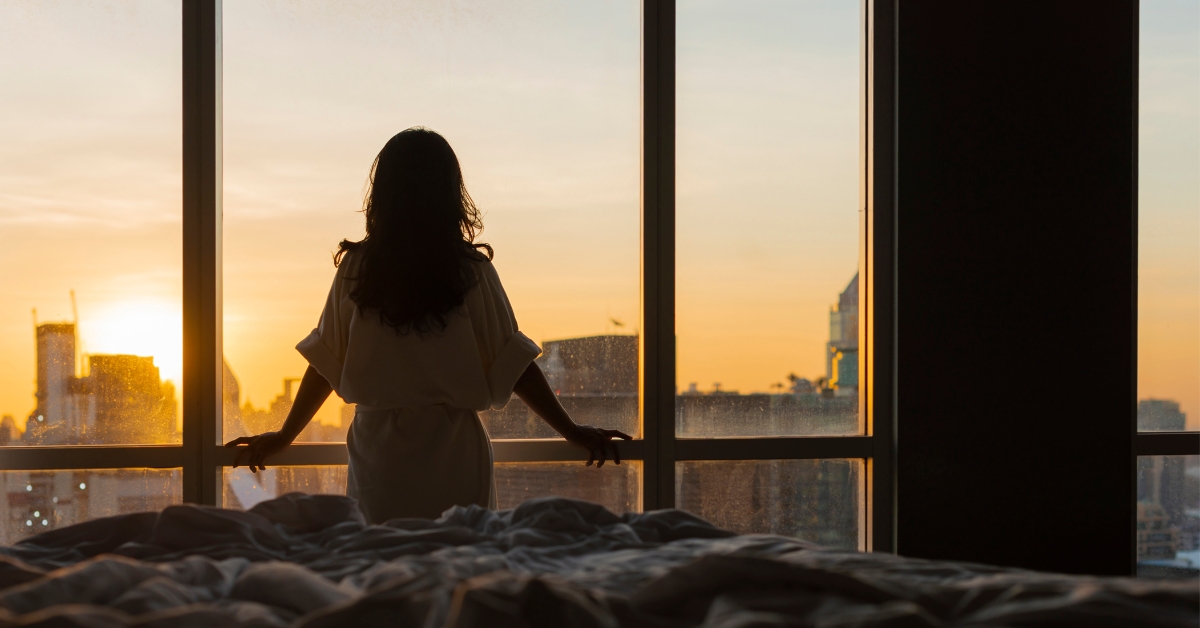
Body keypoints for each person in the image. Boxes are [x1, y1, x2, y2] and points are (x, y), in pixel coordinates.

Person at [225, 127, 632, 523]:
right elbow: (516, 365)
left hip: (379, 454)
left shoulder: (357, 269)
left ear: (382, 193)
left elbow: (324, 364)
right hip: (456, 452)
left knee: (384, 556)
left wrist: (284, 436)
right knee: (458, 551)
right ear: (450, 193)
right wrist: (571, 431)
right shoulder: (471, 270)